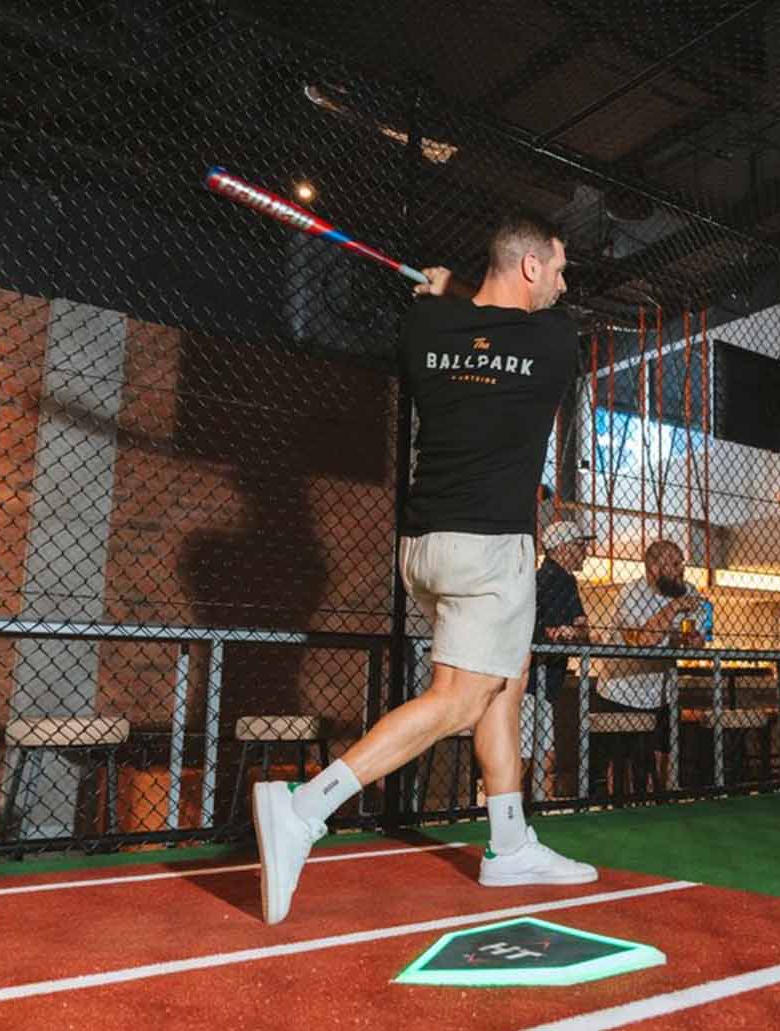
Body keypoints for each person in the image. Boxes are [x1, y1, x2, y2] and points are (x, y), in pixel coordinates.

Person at [251, 212, 595, 926]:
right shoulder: (555, 340)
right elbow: (507, 321)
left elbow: (478, 319)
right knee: (460, 698)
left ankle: (509, 844)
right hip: (490, 546)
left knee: (505, 678)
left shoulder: (424, 328)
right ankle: (304, 807)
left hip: (425, 545)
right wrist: (454, 287)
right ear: (531, 266)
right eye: (558, 269)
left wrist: (448, 294)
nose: (563, 285)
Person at [598, 541, 704, 792]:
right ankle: (618, 807)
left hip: (662, 691)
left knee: (661, 757)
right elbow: (643, 640)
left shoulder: (688, 591)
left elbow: (697, 637)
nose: (681, 569)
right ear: (654, 569)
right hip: (621, 690)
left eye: (681, 563)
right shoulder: (632, 594)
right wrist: (674, 607)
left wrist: (694, 640)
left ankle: (659, 803)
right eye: (674, 564)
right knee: (621, 763)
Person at [525, 520, 593, 799]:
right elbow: (577, 631)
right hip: (532, 681)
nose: (586, 551)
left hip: (538, 680)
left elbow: (581, 630)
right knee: (532, 753)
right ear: (562, 548)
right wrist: (559, 633)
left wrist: (569, 632)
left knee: (538, 752)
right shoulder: (555, 579)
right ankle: (521, 808)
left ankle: (529, 807)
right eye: (580, 545)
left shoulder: (557, 579)